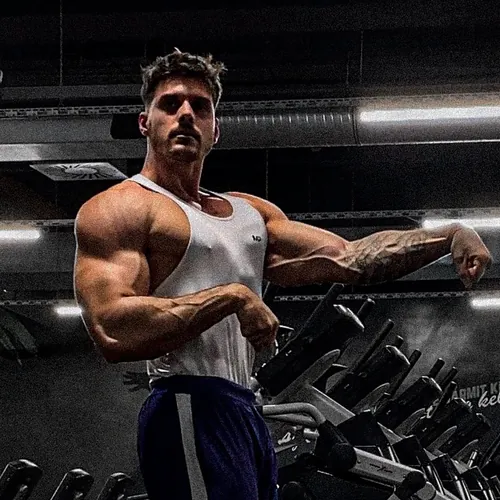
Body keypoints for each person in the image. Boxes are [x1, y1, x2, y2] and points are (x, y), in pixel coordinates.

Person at [73, 49, 491, 500]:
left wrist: (449, 235)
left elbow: (352, 258)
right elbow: (112, 327)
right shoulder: (121, 207)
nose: (186, 115)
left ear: (216, 130)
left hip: (244, 408)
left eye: (201, 107)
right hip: (187, 402)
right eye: (170, 104)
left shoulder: (249, 215)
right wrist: (233, 297)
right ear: (145, 122)